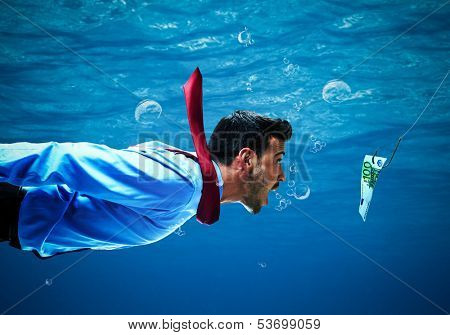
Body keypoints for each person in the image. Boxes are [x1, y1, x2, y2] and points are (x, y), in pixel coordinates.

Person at [0, 110, 292, 258]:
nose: (282, 176)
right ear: (247, 159)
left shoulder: (191, 183)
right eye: (278, 159)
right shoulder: (183, 183)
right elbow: (65, 159)